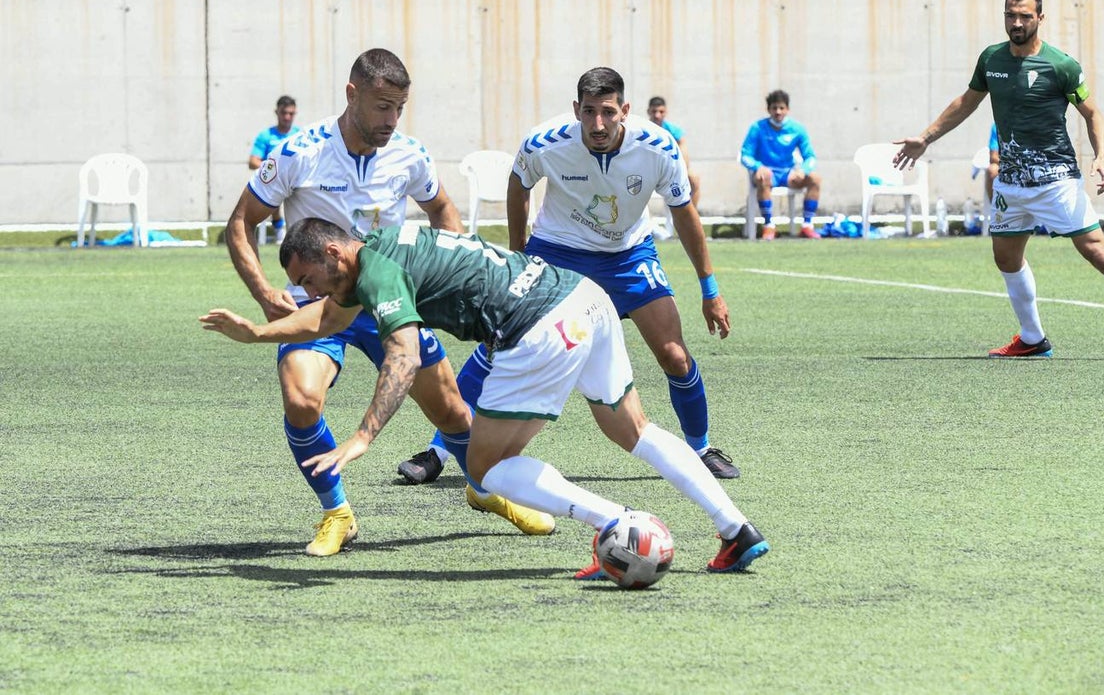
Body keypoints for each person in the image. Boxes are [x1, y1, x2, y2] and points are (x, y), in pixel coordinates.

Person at [200, 219, 770, 577]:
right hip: (582, 297)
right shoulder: (373, 254)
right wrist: (257, 333)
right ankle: (736, 530)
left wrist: (363, 436)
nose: (309, 291)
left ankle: (620, 526)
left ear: (333, 250)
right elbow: (325, 317)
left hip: (540, 327)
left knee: (486, 467)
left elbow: (401, 355)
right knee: (633, 431)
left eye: (312, 277)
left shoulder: (375, 271)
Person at [225, 48, 552, 557]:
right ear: (352, 94)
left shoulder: (410, 154)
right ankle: (337, 514)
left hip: (389, 304)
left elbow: (443, 210)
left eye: (399, 107)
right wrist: (267, 293)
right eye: (381, 106)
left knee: (452, 414)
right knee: (301, 399)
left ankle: (486, 491)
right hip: (322, 306)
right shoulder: (300, 152)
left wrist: (452, 284)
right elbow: (240, 223)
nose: (390, 119)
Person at [507, 66, 741, 480]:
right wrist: (517, 252)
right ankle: (444, 447)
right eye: (589, 112)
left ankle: (700, 449)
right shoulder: (544, 142)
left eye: (609, 112)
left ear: (625, 111)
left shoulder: (658, 146)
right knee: (507, 344)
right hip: (559, 251)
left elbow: (684, 213)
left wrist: (710, 289)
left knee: (673, 354)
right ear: (576, 109)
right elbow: (518, 182)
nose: (598, 124)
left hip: (628, 256)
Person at [893, 0, 1104, 357]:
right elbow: (966, 102)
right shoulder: (991, 59)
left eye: (1025, 16)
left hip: (1056, 180)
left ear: (1040, 19)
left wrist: (1102, 157)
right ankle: (1033, 338)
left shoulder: (1061, 65)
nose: (1016, 22)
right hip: (1010, 183)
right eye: (1010, 15)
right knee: (1006, 257)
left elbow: (1093, 114)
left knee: (1096, 250)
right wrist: (926, 137)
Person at [739, 90, 823, 240]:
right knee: (764, 178)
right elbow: (745, 155)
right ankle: (769, 226)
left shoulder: (797, 129)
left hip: (788, 173)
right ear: (768, 109)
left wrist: (803, 170)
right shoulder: (757, 128)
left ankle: (807, 225)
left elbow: (810, 156)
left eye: (781, 108)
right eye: (774, 108)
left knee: (815, 179)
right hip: (766, 174)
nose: (778, 112)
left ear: (787, 109)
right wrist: (758, 167)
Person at [248, 95, 301, 245]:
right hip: (274, 179)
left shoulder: (300, 135)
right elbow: (253, 162)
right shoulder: (266, 136)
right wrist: (276, 168)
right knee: (273, 190)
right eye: (284, 113)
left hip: (296, 180)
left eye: (291, 113)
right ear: (276, 112)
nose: (287, 117)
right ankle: (279, 230)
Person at [647, 96, 701, 208]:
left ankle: (691, 215)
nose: (657, 115)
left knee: (694, 179)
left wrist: (683, 169)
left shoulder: (673, 130)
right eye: (654, 111)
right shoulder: (643, 128)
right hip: (647, 169)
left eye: (661, 111)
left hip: (668, 168)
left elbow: (683, 148)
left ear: (665, 112)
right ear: (648, 112)